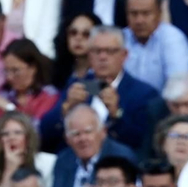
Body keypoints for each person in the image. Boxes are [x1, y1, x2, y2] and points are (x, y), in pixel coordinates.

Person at [39, 25, 158, 155]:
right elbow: (44, 135)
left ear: (124, 55)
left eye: (110, 51)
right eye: (97, 51)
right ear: (89, 55)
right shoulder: (77, 85)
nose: (102, 57)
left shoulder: (143, 93)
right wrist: (65, 108)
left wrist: (116, 114)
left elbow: (143, 142)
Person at [48, 103, 139, 187]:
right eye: (76, 134)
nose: (82, 139)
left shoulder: (120, 157)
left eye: (88, 132)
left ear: (103, 132)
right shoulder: (63, 160)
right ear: (67, 139)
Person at [0, 39, 58, 131]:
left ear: (32, 68)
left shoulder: (48, 96)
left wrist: (9, 108)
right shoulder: (2, 97)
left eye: (15, 70)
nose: (9, 77)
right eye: (6, 71)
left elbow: (36, 132)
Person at [121, 0, 188, 91]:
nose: (139, 20)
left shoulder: (173, 39)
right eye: (134, 14)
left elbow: (179, 86)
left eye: (146, 14)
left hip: (163, 103)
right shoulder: (119, 39)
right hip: (121, 103)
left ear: (159, 13)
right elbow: (100, 78)